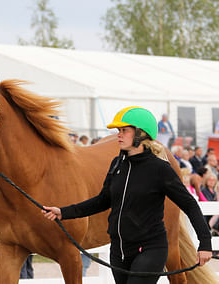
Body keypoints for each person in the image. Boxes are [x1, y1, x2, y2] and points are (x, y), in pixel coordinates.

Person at [42, 106, 212, 284]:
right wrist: (63, 212)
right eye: (118, 131)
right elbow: (102, 201)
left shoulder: (160, 169)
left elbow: (190, 205)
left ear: (140, 134)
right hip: (119, 252)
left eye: (124, 130)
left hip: (150, 249)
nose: (119, 135)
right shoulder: (117, 164)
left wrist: (205, 243)